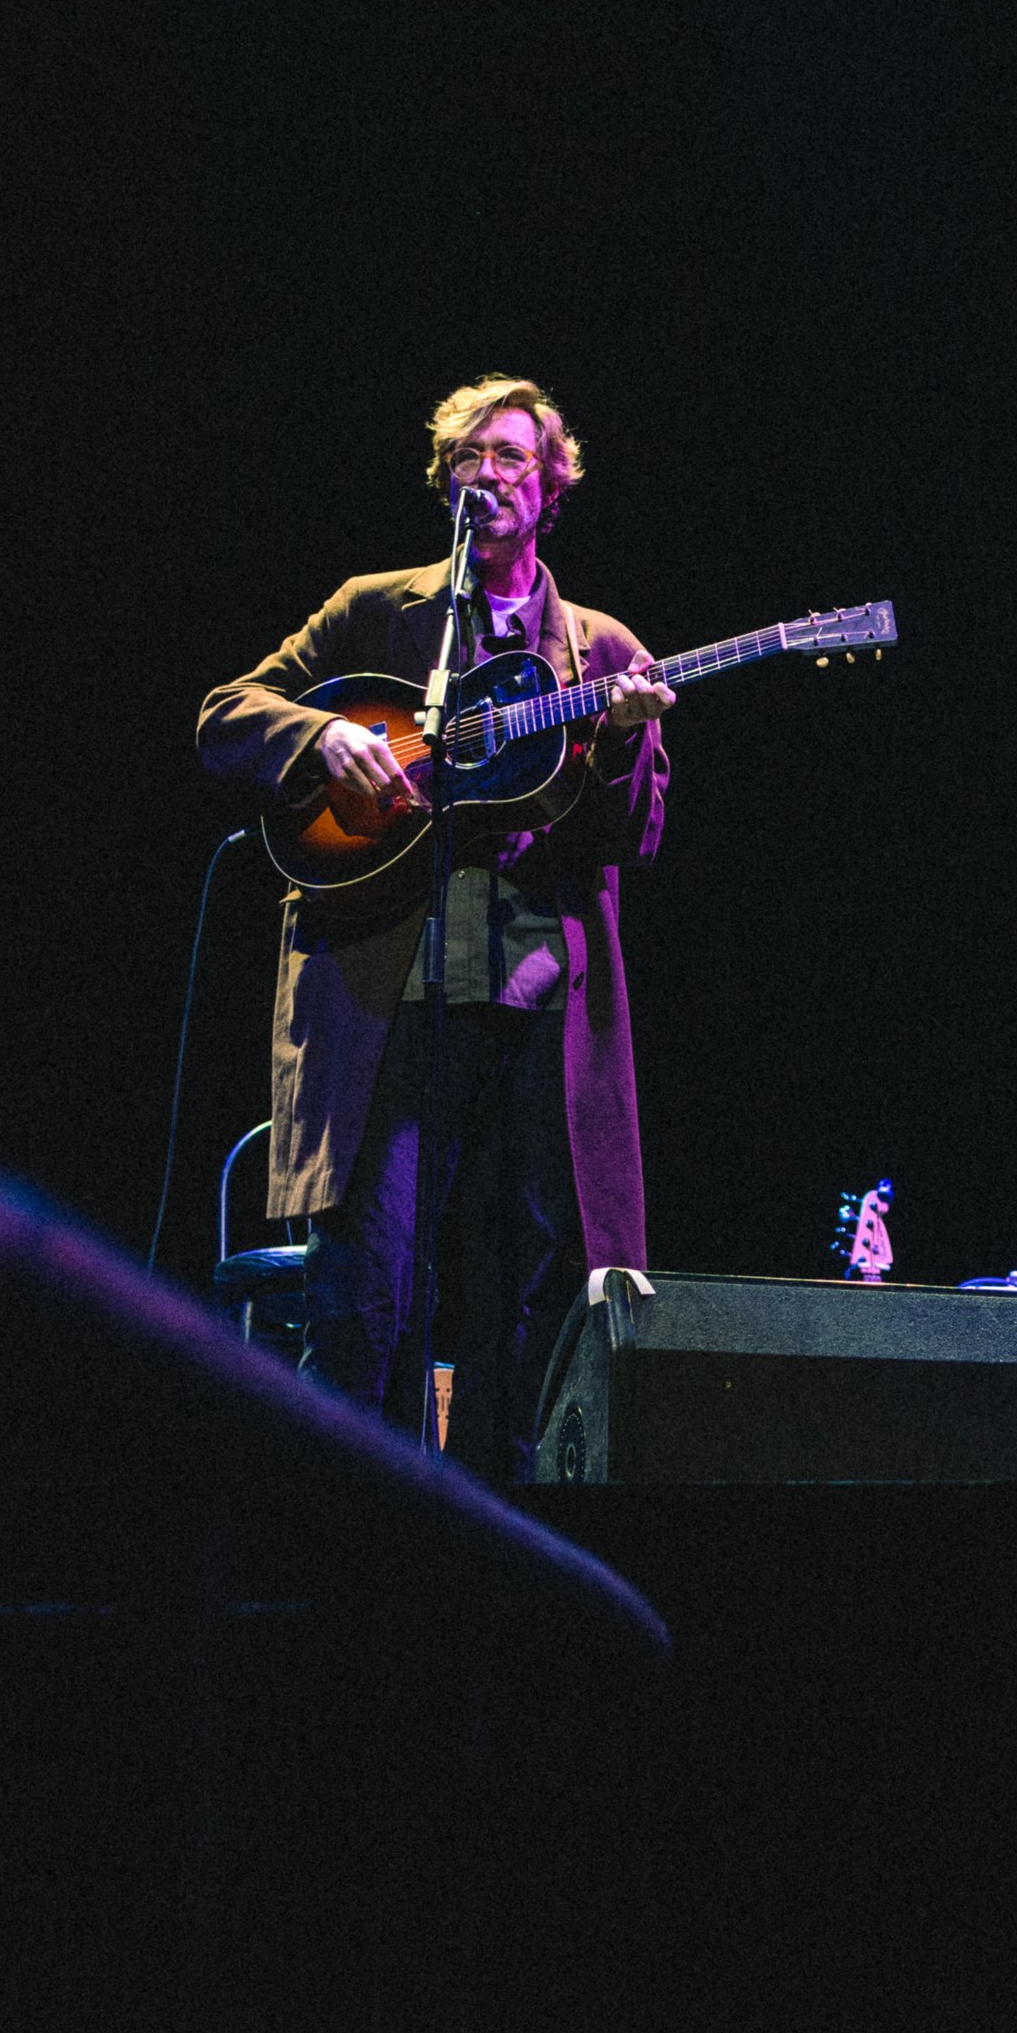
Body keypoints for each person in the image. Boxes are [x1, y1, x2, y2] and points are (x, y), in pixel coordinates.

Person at [199, 374, 674, 1487]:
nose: (489, 473)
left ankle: (509, 1546)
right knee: (364, 1289)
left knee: (536, 1302)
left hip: (536, 1005)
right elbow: (228, 711)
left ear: (549, 485)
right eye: (469, 454)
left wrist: (619, 738)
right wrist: (318, 737)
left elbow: (631, 837)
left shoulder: (595, 647)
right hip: (388, 999)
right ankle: (333, 1536)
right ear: (444, 478)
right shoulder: (379, 609)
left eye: (512, 456)